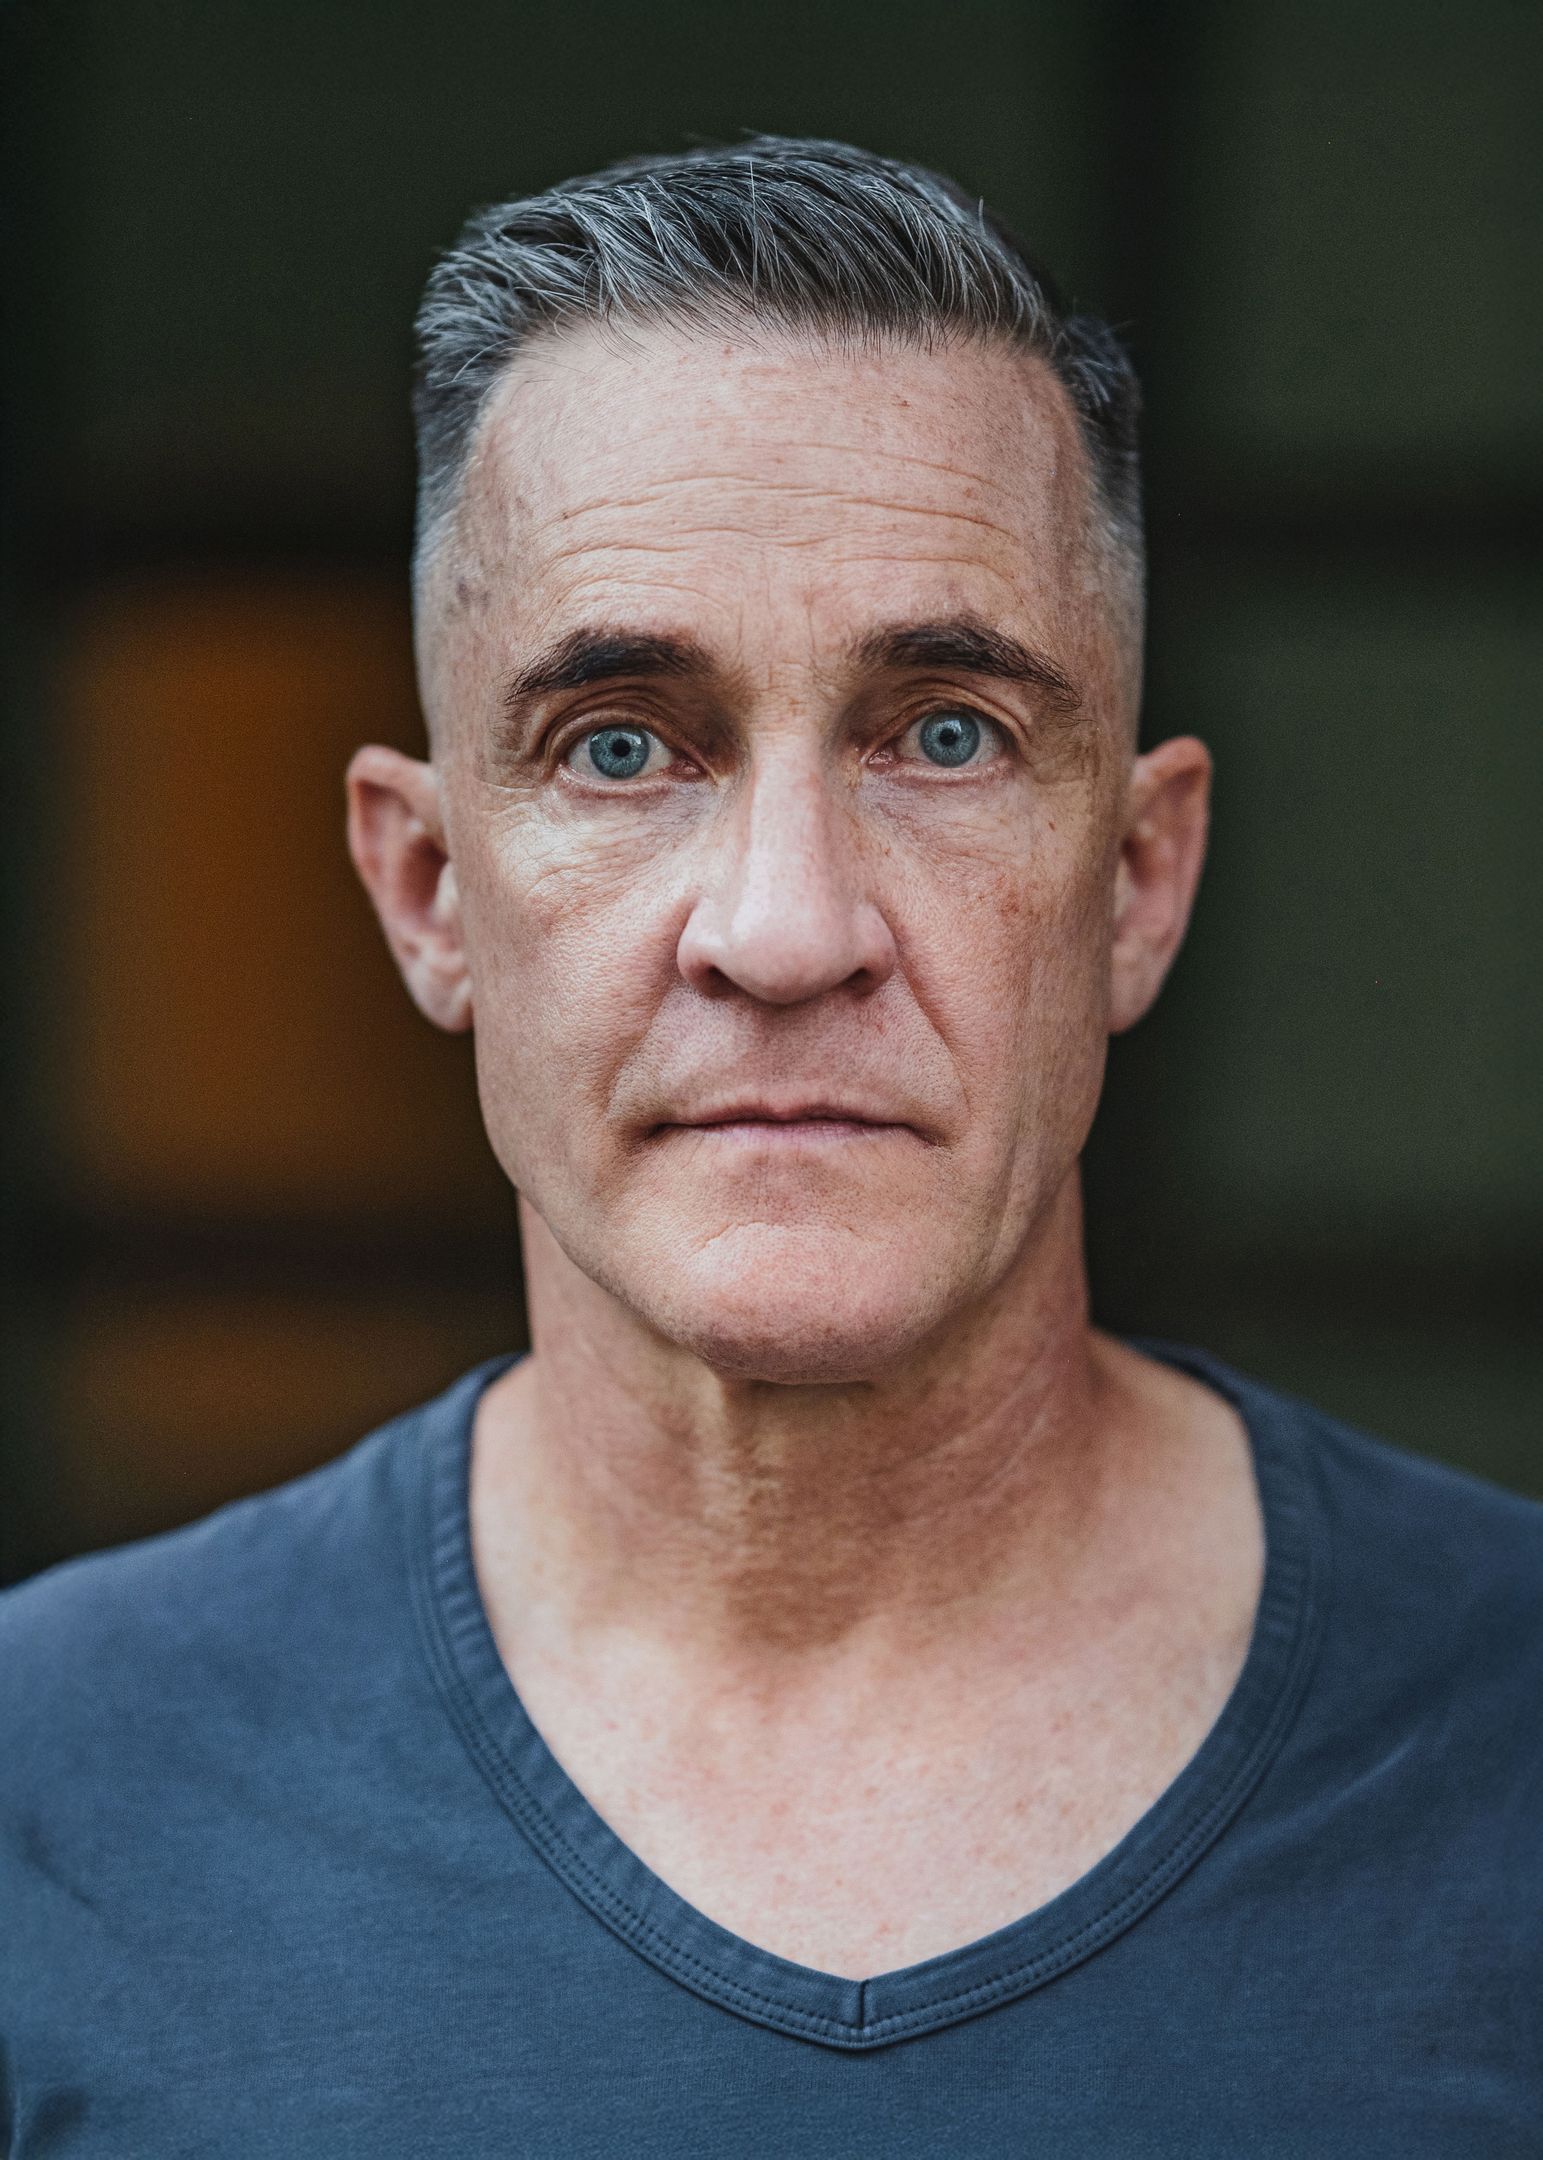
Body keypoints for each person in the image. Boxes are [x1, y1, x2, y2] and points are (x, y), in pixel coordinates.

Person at [2, 136, 1539, 2155]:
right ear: (430, 892)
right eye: (620, 746)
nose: (787, 929)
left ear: (1137, 883)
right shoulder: (50, 1785)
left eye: (947, 735)